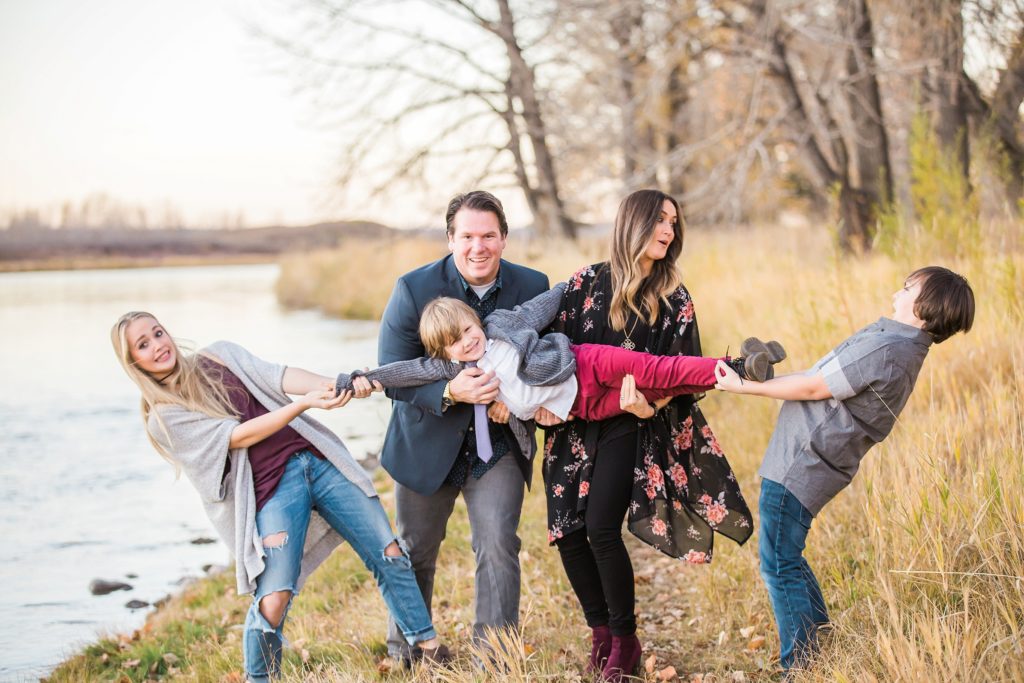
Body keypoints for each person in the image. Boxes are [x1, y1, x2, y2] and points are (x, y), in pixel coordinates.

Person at [111, 312, 452, 682]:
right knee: (274, 598)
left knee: (389, 553)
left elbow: (279, 375)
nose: (158, 345)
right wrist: (303, 404)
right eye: (143, 345)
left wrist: (337, 383)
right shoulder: (163, 418)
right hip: (270, 491)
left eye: (158, 333)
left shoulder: (220, 355)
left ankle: (428, 649)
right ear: (134, 363)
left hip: (318, 461)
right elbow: (238, 435)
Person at [538, 189, 755, 681]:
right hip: (570, 425)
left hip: (631, 424)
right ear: (632, 222)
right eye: (660, 219)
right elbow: (544, 356)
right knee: (567, 534)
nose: (668, 230)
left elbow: (682, 375)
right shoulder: (581, 285)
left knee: (599, 529)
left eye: (674, 223)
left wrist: (648, 404)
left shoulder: (674, 299)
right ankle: (599, 634)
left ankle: (625, 639)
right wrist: (541, 410)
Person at [713, 266, 975, 672]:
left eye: (907, 289)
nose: (896, 292)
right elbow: (820, 379)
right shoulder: (898, 344)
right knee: (788, 555)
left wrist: (742, 387)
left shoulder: (889, 350)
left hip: (803, 461)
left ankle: (801, 666)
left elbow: (815, 388)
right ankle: (820, 640)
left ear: (924, 309)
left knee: (778, 564)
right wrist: (768, 379)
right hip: (808, 459)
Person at [376, 190, 549, 664]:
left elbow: (548, 360)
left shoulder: (533, 285)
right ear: (451, 239)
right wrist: (452, 391)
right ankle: (410, 652)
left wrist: (517, 407)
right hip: (424, 441)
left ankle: (493, 656)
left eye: (489, 235)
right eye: (468, 236)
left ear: (505, 239)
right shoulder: (412, 289)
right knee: (414, 550)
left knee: (497, 542)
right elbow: (392, 373)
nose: (479, 247)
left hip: (496, 444)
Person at [335, 290, 784, 431]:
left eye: (468, 330)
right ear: (444, 353)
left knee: (656, 370)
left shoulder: (500, 327)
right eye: (455, 343)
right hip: (578, 409)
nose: (468, 343)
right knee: (655, 391)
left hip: (583, 365)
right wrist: (367, 378)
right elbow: (408, 371)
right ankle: (735, 374)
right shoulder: (455, 372)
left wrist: (580, 280)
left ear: (477, 321)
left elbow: (543, 305)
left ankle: (738, 365)